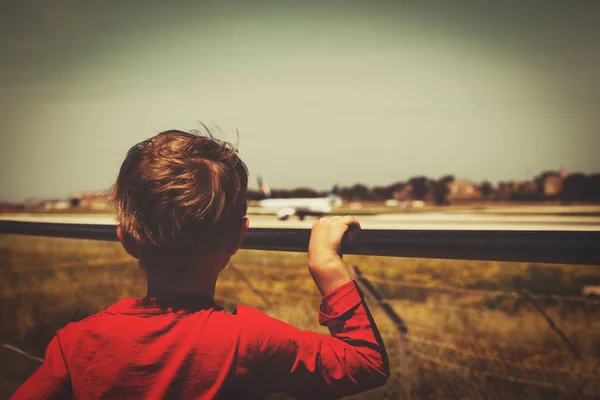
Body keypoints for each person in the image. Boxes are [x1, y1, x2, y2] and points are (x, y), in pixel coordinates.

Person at [12, 128, 389, 399]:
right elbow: (366, 364)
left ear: (126, 239)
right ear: (237, 238)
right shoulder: (251, 339)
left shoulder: (77, 343)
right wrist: (328, 268)